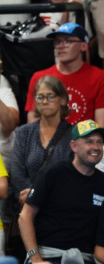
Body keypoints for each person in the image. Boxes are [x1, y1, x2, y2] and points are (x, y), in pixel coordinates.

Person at [18, 119, 104, 264]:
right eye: (89, 142)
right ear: (74, 146)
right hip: (48, 257)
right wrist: (36, 260)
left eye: (99, 142)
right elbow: (24, 217)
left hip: (86, 261)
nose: (95, 147)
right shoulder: (54, 173)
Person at [26, 23, 104, 127]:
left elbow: (102, 125)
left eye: (68, 41)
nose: (61, 46)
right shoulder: (39, 78)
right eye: (57, 42)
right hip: (50, 141)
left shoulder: (100, 77)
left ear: (83, 46)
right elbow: (33, 120)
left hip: (86, 140)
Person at [10, 76, 72, 209]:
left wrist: (37, 196)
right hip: (27, 207)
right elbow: (17, 173)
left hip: (62, 207)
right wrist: (32, 198)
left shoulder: (73, 134)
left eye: (51, 96)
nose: (45, 101)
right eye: (40, 97)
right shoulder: (23, 133)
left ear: (63, 100)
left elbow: (74, 176)